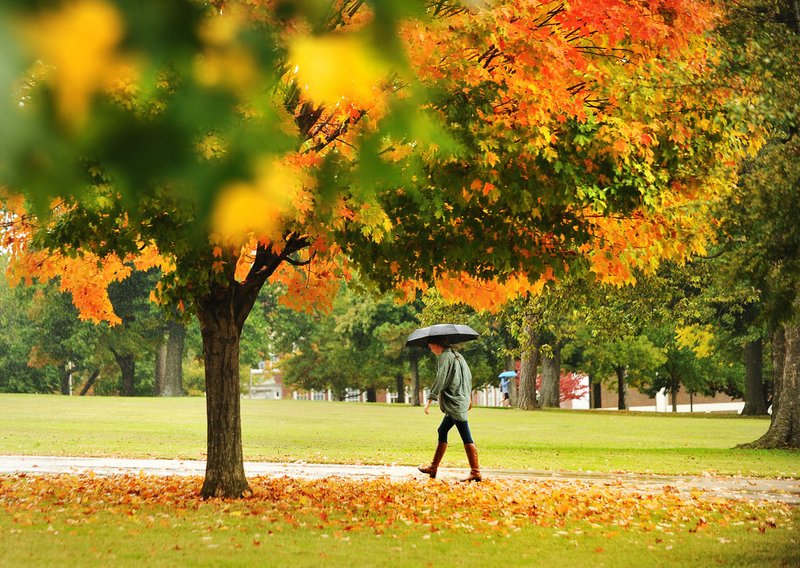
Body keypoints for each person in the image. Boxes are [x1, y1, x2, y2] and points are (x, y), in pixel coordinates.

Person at [418, 338, 481, 482]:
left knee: (465, 435)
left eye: (429, 345)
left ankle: (475, 472)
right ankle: (433, 468)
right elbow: (468, 377)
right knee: (442, 430)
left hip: (455, 403)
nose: (429, 348)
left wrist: (429, 401)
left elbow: (440, 379)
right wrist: (469, 397)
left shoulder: (445, 357)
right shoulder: (458, 356)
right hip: (459, 400)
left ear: (435, 344)